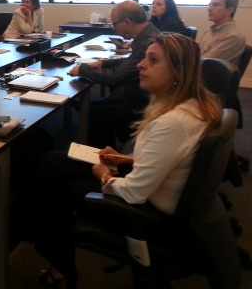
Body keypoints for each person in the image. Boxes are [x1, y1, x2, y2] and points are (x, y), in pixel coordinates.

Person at [25, 33, 222, 288]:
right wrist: (123, 158)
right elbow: (169, 157)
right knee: (54, 161)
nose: (141, 64)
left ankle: (55, 260)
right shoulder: (193, 105)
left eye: (153, 60)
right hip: (160, 194)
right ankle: (37, 239)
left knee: (56, 183)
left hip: (147, 216)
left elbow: (134, 193)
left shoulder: (171, 123)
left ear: (178, 72)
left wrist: (103, 175)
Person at [68, 1, 161, 148]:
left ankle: (102, 158)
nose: (114, 28)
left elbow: (115, 77)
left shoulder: (147, 42)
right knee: (92, 107)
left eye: (115, 24)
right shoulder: (148, 35)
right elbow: (130, 61)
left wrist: (82, 69)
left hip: (143, 103)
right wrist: (102, 63)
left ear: (128, 22)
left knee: (93, 113)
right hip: (142, 97)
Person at [198, 0, 246, 66]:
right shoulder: (208, 32)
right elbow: (193, 53)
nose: (209, 8)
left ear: (229, 10)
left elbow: (204, 64)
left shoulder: (233, 37)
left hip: (204, 73)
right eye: (210, 4)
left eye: (216, 5)